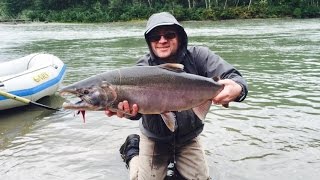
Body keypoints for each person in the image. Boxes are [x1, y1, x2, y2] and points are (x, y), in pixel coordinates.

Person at [105, 12, 248, 180]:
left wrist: (238, 89)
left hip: (189, 137)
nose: (162, 40)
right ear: (149, 42)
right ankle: (133, 155)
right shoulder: (142, 69)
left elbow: (235, 78)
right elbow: (137, 113)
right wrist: (129, 113)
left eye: (169, 34)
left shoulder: (199, 56)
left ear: (180, 36)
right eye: (155, 37)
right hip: (154, 138)